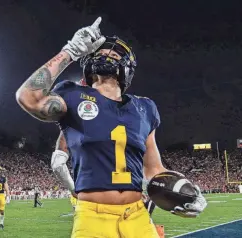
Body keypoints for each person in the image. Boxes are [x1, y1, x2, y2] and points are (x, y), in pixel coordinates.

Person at [16, 17, 207, 238]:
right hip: (92, 217)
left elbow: (154, 169)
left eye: (115, 54)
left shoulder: (145, 108)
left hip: (137, 216)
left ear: (127, 68)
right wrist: (69, 52)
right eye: (101, 52)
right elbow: (29, 98)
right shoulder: (73, 95)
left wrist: (186, 192)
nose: (107, 55)